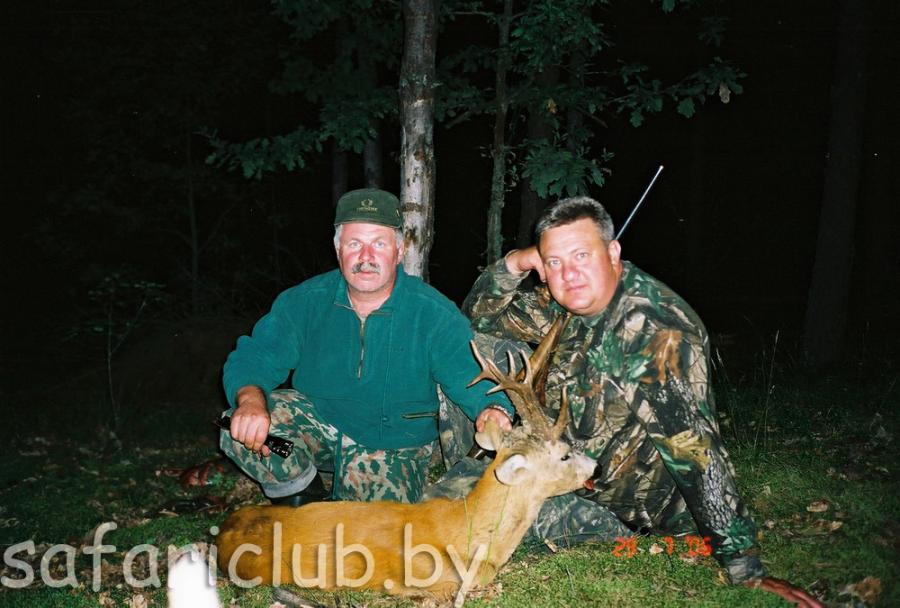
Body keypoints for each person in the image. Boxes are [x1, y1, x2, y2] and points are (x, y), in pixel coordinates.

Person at [430, 196, 820, 606]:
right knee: (477, 352)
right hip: (569, 464)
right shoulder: (573, 304)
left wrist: (744, 567)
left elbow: (696, 453)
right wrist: (517, 262)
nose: (569, 273)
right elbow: (479, 318)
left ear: (613, 252)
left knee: (455, 508)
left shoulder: (653, 333)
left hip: (623, 512)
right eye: (555, 262)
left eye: (581, 255)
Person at [219, 188, 513, 506]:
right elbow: (256, 356)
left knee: (371, 527)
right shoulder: (305, 301)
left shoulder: (432, 312)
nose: (366, 257)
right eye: (354, 244)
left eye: (379, 244)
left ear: (399, 251)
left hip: (391, 440)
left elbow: (468, 372)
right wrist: (250, 401)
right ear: (338, 250)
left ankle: (350, 496)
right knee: (239, 425)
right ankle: (303, 499)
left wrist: (493, 409)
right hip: (321, 424)